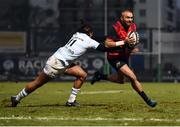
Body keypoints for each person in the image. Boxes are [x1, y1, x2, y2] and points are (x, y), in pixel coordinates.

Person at [11, 21, 129, 107]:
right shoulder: (88, 40)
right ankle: (17, 98)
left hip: (59, 60)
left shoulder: (76, 34)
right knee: (37, 83)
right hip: (57, 64)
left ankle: (71, 101)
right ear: (90, 33)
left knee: (82, 75)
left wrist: (110, 38)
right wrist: (121, 43)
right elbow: (104, 48)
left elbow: (97, 38)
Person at [91, 9, 157, 108]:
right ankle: (148, 100)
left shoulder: (133, 26)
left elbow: (130, 42)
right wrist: (124, 42)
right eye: (127, 17)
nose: (130, 19)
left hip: (124, 56)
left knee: (120, 80)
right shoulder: (114, 27)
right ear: (122, 18)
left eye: (131, 17)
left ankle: (100, 76)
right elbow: (107, 44)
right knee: (132, 77)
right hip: (114, 57)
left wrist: (132, 48)